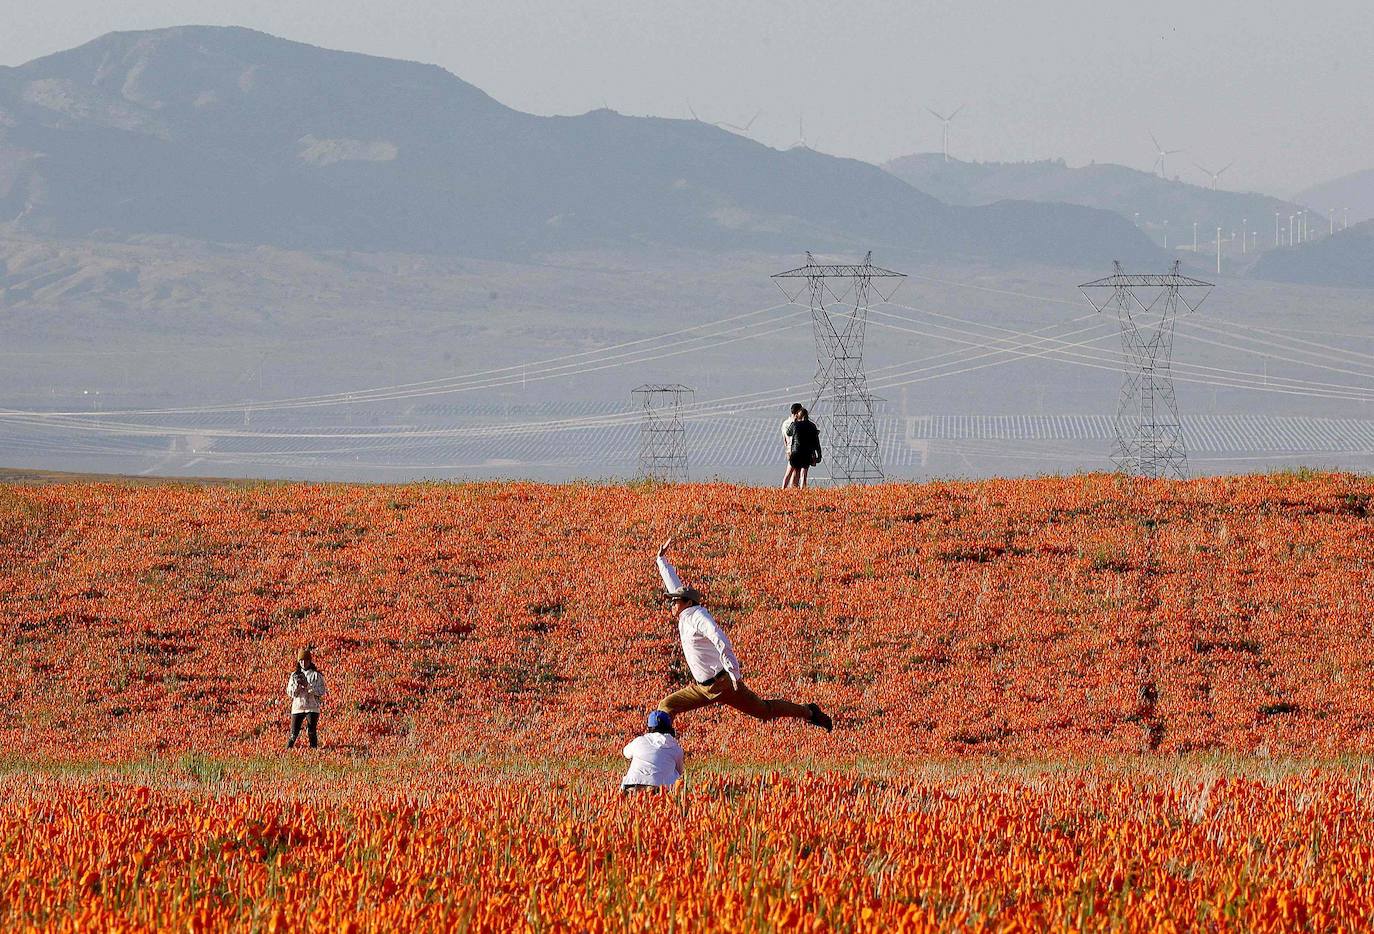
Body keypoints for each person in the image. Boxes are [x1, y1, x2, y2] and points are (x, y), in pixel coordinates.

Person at [654, 539, 832, 731]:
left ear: (687, 603)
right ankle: (665, 748)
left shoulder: (698, 617)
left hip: (724, 684)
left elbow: (719, 638)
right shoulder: (685, 614)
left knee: (764, 711)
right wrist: (661, 560)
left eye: (675, 601)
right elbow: (675, 587)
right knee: (666, 707)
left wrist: (733, 673)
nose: (671, 604)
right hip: (703, 688)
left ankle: (809, 712)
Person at [621, 710, 685, 792]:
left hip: (631, 784)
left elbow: (626, 753)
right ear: (669, 726)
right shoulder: (675, 748)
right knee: (675, 774)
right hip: (660, 789)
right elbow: (680, 771)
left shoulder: (639, 741)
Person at [286, 647, 326, 749]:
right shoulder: (294, 675)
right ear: (299, 661)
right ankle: (286, 752)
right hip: (297, 707)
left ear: (309, 660)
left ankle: (314, 752)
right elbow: (290, 692)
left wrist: (308, 686)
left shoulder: (316, 675)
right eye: (301, 660)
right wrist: (297, 687)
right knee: (293, 734)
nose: (303, 662)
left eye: (305, 660)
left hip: (312, 707)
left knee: (311, 732)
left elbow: (321, 691)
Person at [783, 407, 822, 488]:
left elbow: (788, 433)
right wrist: (819, 454)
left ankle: (783, 489)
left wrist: (793, 422)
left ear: (798, 416)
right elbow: (816, 442)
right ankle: (802, 491)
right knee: (803, 473)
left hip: (795, 452)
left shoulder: (795, 424)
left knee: (790, 473)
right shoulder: (812, 426)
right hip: (807, 453)